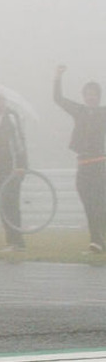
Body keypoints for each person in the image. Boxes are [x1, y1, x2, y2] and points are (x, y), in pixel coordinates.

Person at [53, 64, 106, 254]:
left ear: (98, 97)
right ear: (84, 96)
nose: (91, 97)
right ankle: (98, 240)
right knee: (88, 203)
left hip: (99, 164)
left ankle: (96, 243)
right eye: (88, 94)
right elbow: (58, 99)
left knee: (98, 203)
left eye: (94, 94)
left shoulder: (103, 112)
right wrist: (58, 77)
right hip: (83, 165)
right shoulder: (79, 110)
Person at [0, 94, 28, 251]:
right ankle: (10, 240)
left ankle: (17, 242)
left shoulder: (12, 116)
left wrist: (21, 164)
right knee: (2, 203)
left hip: (12, 167)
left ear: (3, 99)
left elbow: (19, 140)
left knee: (12, 203)